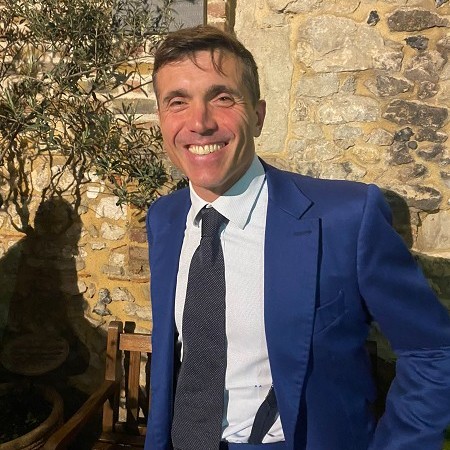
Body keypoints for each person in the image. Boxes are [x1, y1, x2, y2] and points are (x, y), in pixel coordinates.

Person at [144, 25, 450, 450]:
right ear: (162, 119)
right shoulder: (164, 219)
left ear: (258, 115)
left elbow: (434, 352)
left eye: (223, 97)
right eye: (177, 102)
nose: (200, 122)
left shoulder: (346, 219)